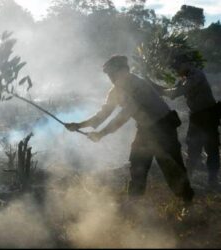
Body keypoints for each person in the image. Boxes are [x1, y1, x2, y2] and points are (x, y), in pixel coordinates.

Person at [65, 55, 194, 203]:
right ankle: (134, 203)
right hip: (146, 129)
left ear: (124, 71)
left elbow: (124, 116)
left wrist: (101, 134)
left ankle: (187, 200)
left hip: (162, 127)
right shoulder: (115, 91)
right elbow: (104, 113)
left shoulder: (138, 85)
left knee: (171, 165)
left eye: (113, 73)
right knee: (138, 163)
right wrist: (79, 125)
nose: (111, 78)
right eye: (109, 75)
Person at [152, 54, 220, 188]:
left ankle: (212, 181)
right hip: (197, 117)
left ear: (186, 63)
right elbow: (174, 91)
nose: (176, 70)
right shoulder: (186, 77)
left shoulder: (196, 75)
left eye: (178, 66)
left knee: (211, 149)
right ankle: (188, 179)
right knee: (193, 149)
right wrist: (156, 87)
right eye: (175, 68)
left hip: (208, 115)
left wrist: (157, 88)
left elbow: (177, 92)